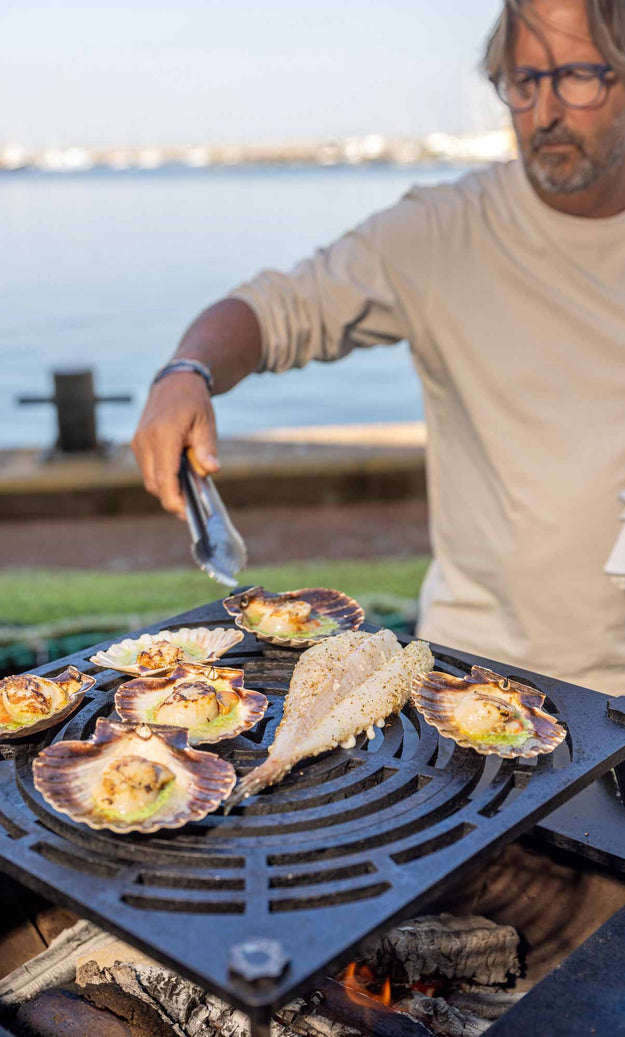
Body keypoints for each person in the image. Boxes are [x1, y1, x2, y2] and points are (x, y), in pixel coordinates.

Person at [132, 0, 625, 695]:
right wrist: (187, 371)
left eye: (576, 76)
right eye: (521, 80)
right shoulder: (439, 232)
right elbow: (275, 309)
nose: (541, 110)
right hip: (474, 677)